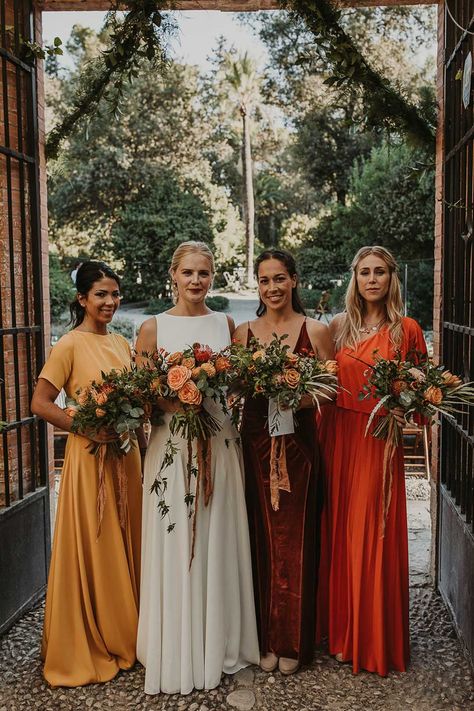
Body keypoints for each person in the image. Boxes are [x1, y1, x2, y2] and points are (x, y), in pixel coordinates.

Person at [136, 240, 259, 695]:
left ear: (213, 276)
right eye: (187, 272)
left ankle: (221, 638)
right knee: (176, 537)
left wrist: (212, 390)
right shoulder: (152, 328)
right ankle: (176, 642)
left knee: (219, 534)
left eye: (203, 273)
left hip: (220, 440)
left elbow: (241, 386)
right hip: (173, 445)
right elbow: (146, 395)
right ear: (173, 274)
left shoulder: (228, 325)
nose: (195, 281)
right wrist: (180, 399)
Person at [31, 261, 142, 687]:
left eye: (115, 294)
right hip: (90, 457)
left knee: (127, 535)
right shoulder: (69, 346)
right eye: (101, 295)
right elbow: (40, 403)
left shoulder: (121, 343)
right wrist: (83, 424)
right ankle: (102, 635)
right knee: (98, 542)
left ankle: (130, 629)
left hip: (125, 456)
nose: (111, 302)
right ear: (82, 299)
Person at [318, 245, 427, 676]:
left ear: (391, 277)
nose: (372, 279)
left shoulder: (407, 330)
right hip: (339, 436)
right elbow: (322, 386)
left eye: (380, 272)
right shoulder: (338, 327)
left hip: (378, 440)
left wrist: (406, 406)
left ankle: (374, 640)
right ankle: (342, 636)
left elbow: (422, 399)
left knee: (373, 535)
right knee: (341, 533)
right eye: (364, 272)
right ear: (355, 278)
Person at [232, 248, 334, 676]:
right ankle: (265, 640)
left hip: (300, 445)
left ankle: (294, 642)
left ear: (294, 280)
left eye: (279, 279)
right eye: (263, 281)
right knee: (259, 538)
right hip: (255, 443)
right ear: (257, 286)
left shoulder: (317, 330)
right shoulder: (242, 333)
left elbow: (331, 388)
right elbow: (234, 387)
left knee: (296, 539)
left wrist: (294, 396)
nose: (271, 288)